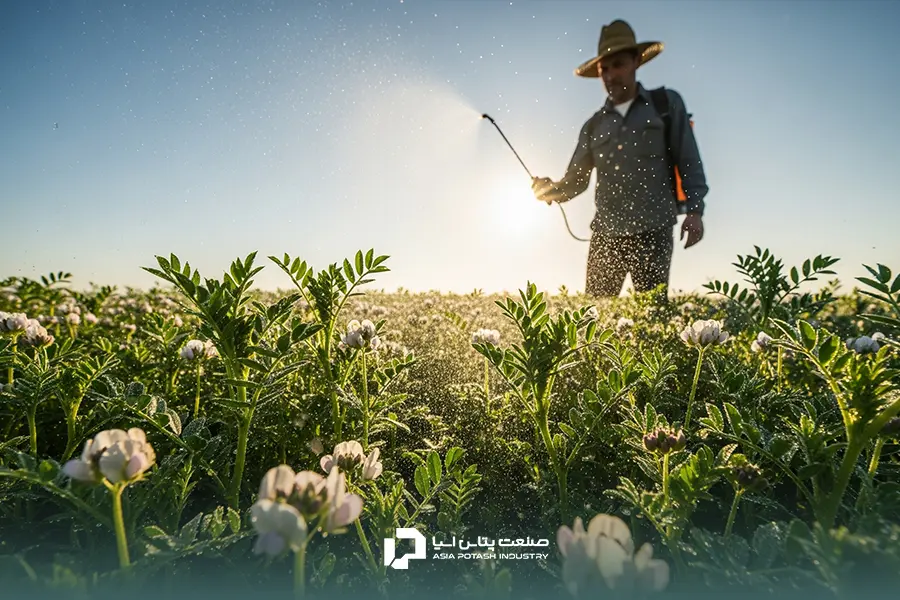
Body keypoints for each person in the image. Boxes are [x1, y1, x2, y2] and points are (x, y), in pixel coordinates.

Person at [531, 19, 708, 299]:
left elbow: (689, 160)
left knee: (651, 320)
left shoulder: (666, 105)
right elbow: (576, 181)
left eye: (619, 64)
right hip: (606, 234)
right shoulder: (593, 126)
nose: (611, 75)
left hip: (654, 230)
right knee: (596, 318)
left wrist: (695, 212)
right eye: (605, 69)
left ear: (637, 61)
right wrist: (550, 190)